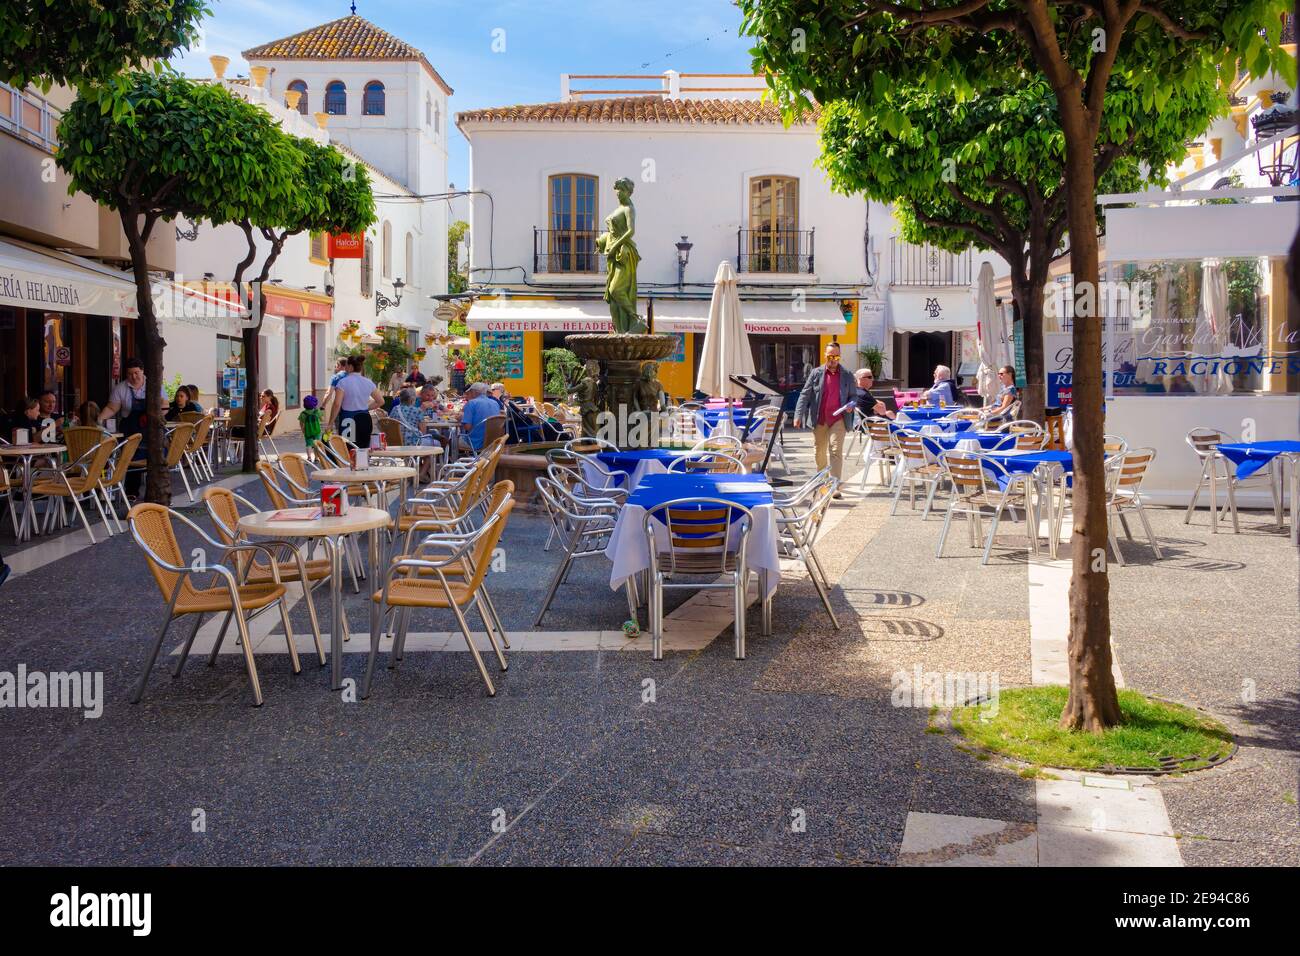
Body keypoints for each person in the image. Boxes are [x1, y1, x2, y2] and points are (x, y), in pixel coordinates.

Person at [794, 342, 856, 495]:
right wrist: (798, 415)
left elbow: (854, 395)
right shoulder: (816, 373)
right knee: (819, 452)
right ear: (825, 355)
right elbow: (804, 394)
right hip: (819, 418)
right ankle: (823, 482)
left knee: (835, 451)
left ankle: (834, 486)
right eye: (830, 356)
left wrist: (851, 404)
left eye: (836, 356)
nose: (833, 359)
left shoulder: (847, 375)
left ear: (839, 356)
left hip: (839, 418)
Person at [99, 358, 162, 500]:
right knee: (131, 456)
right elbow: (111, 408)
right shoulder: (121, 388)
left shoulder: (153, 385)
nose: (133, 377)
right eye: (129, 374)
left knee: (155, 457)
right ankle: (131, 491)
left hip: (150, 429)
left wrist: (154, 417)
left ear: (142, 371)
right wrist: (99, 421)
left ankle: (155, 491)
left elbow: (163, 405)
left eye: (136, 373)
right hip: (130, 427)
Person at [336, 355, 382, 448]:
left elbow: (337, 404)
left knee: (349, 449)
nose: (345, 368)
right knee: (363, 449)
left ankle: (350, 463)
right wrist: (365, 408)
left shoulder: (343, 382)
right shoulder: (368, 382)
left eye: (346, 365)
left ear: (350, 366)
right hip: (365, 418)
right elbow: (380, 401)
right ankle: (363, 463)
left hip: (348, 419)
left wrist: (330, 422)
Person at [459, 382, 501, 453]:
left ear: (474, 392)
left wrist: (461, 419)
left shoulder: (471, 403)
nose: (469, 394)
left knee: (452, 438)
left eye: (470, 392)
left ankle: (452, 462)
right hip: (492, 442)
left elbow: (467, 427)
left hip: (475, 443)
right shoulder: (495, 403)